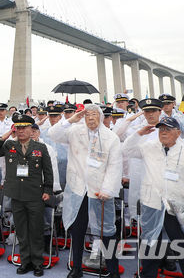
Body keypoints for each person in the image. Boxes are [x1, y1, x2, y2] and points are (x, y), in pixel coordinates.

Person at [123, 116, 184, 278]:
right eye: (161, 129)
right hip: (152, 203)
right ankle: (148, 275)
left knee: (181, 244)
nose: (164, 132)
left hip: (176, 205)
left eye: (168, 129)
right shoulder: (149, 147)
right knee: (150, 244)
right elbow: (127, 150)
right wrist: (139, 133)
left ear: (178, 133)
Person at [48, 103, 122, 278]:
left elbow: (115, 166)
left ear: (101, 117)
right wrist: (71, 120)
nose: (90, 118)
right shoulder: (75, 131)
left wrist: (107, 189)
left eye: (94, 115)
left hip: (100, 191)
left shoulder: (111, 138)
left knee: (107, 232)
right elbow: (53, 134)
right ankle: (77, 268)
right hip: (78, 190)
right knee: (77, 229)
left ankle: (113, 270)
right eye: (87, 115)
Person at [0, 114, 53, 276]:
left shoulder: (40, 147)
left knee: (36, 230)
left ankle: (37, 263)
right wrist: (6, 134)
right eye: (18, 128)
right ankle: (25, 262)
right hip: (16, 195)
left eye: (24, 127)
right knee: (22, 231)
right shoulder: (9, 145)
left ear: (32, 129)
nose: (21, 131)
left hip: (35, 195)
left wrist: (47, 190)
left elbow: (48, 171)